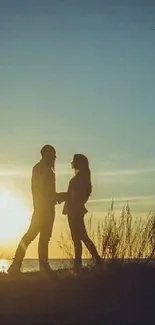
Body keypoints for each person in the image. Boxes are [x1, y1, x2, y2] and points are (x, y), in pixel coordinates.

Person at [8, 144, 57, 275]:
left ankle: (43, 266)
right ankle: (16, 265)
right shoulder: (40, 169)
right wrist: (56, 197)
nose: (55, 157)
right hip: (41, 210)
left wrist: (55, 197)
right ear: (45, 154)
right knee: (30, 236)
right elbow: (42, 190)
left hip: (48, 209)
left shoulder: (46, 170)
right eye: (52, 154)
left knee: (44, 238)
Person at [58, 154, 101, 273]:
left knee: (80, 237)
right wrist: (63, 196)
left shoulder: (79, 179)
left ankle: (89, 262)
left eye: (75, 161)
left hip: (74, 211)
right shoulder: (82, 178)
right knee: (79, 237)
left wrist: (62, 196)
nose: (72, 163)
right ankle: (84, 263)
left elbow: (75, 197)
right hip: (74, 210)